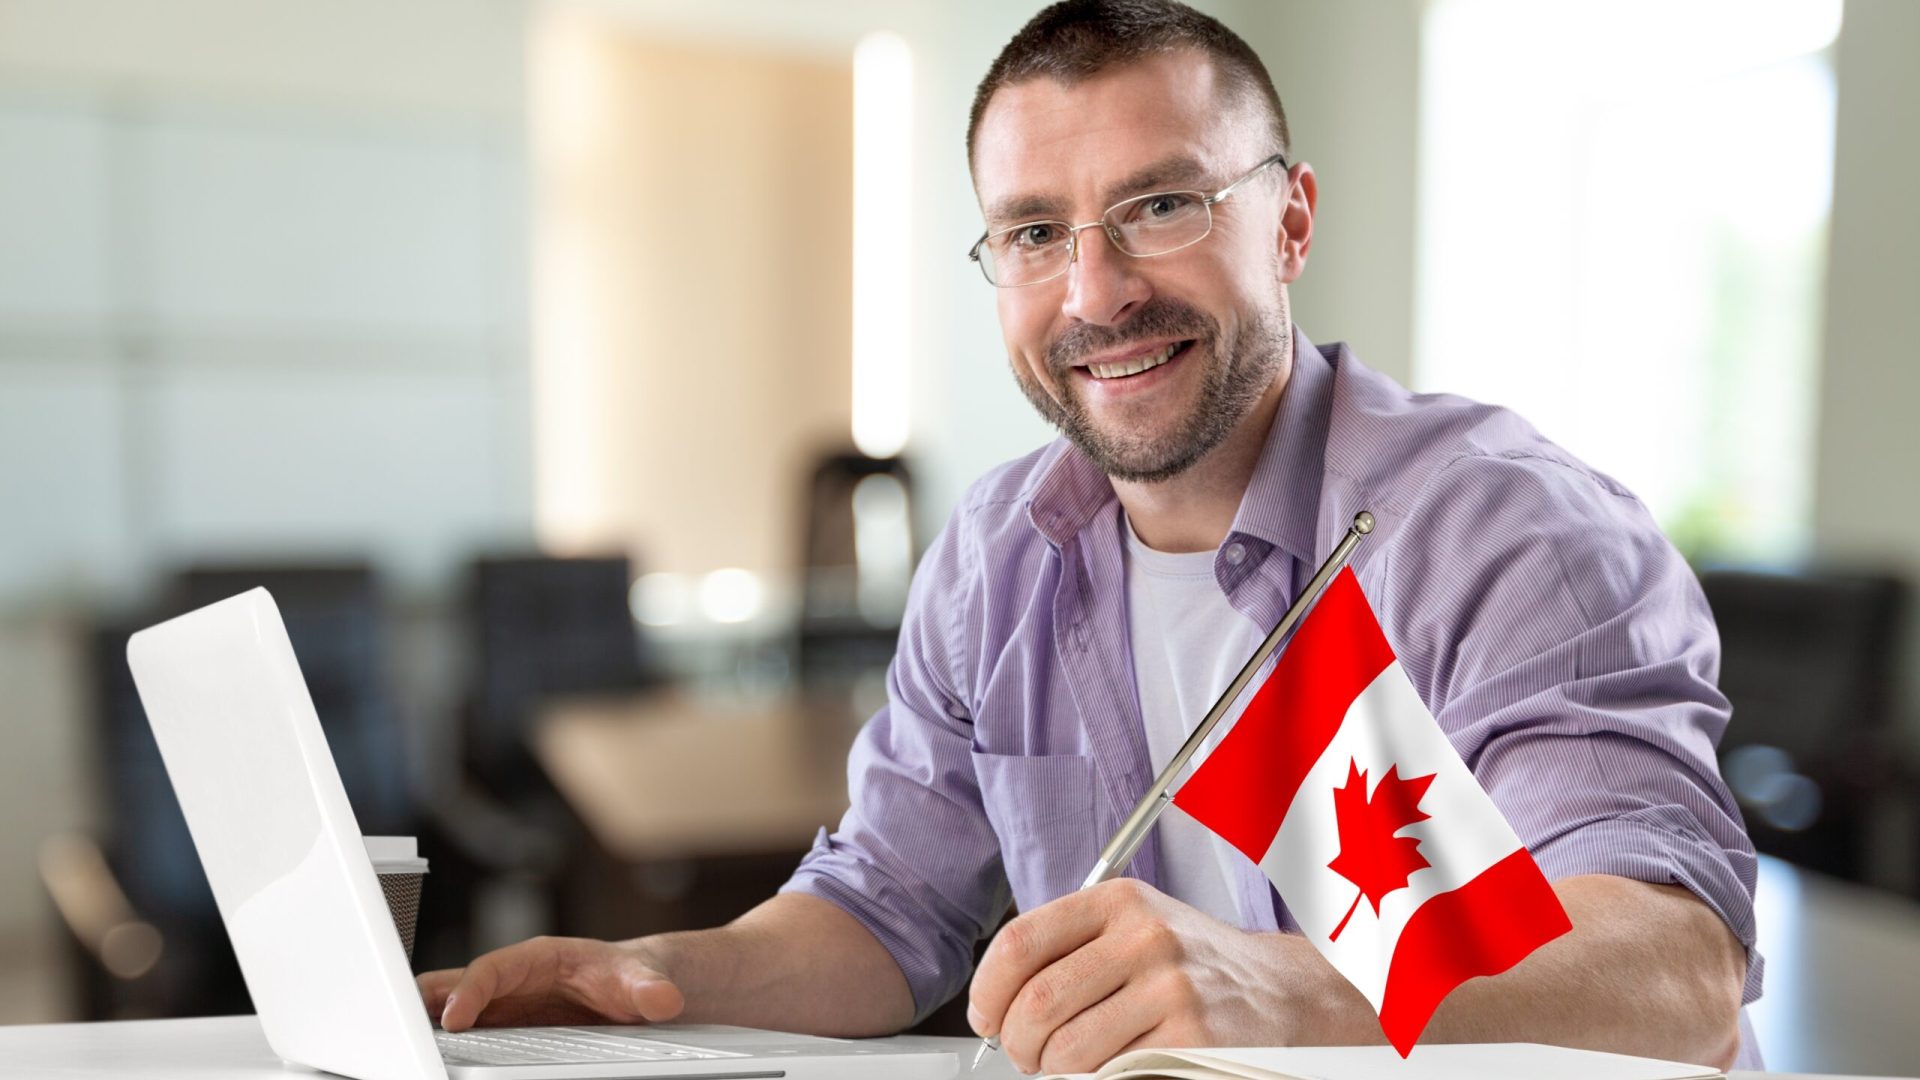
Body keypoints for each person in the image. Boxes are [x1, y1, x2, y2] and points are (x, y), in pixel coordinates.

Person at [418, 1, 1760, 1071]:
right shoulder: (1001, 554)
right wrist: (654, 978)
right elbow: (887, 910)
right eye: (1035, 232)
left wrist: (1293, 993)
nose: (1096, 292)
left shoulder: (1503, 527)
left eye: (1161, 206)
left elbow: (1679, 974)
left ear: (1289, 220)